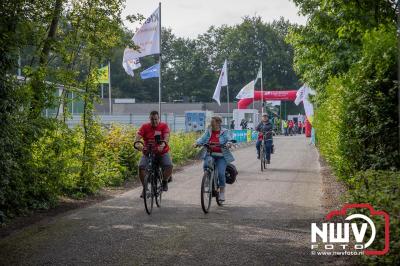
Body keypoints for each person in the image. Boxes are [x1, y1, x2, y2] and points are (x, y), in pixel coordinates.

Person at [194, 116, 234, 202]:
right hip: (210, 154)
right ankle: (208, 181)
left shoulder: (224, 132)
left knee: (221, 173)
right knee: (206, 165)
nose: (211, 124)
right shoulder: (209, 131)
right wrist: (197, 143)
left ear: (218, 123)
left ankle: (222, 192)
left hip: (221, 156)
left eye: (213, 122)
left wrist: (229, 143)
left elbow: (229, 139)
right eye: (211, 122)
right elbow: (202, 138)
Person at [135, 111, 173, 196]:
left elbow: (166, 137)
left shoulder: (164, 126)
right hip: (148, 152)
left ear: (158, 119)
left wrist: (163, 145)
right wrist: (137, 144)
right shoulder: (145, 126)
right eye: (152, 119)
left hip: (161, 152)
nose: (154, 121)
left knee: (169, 165)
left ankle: (164, 181)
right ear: (149, 119)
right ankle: (145, 188)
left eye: (156, 119)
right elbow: (138, 137)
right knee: (141, 167)